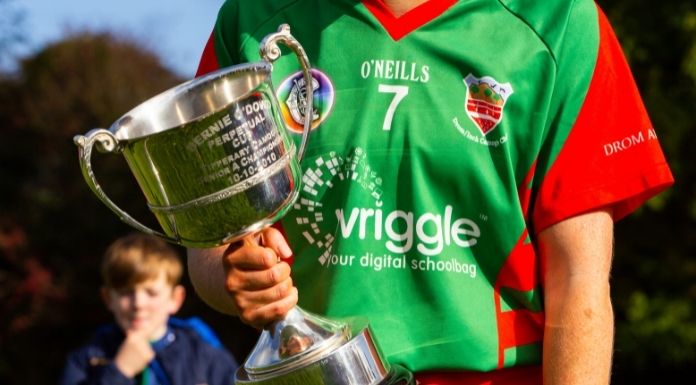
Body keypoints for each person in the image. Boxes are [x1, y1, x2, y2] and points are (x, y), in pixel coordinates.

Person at [186, 0, 675, 384]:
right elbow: (209, 251)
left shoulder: (558, 20)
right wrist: (237, 276)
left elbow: (580, 284)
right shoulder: (251, 20)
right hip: (305, 376)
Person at [60, 233, 239, 385]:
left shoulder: (202, 353)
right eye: (126, 293)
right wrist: (119, 371)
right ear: (108, 299)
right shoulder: (87, 359)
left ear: (175, 299)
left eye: (151, 293)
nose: (138, 303)